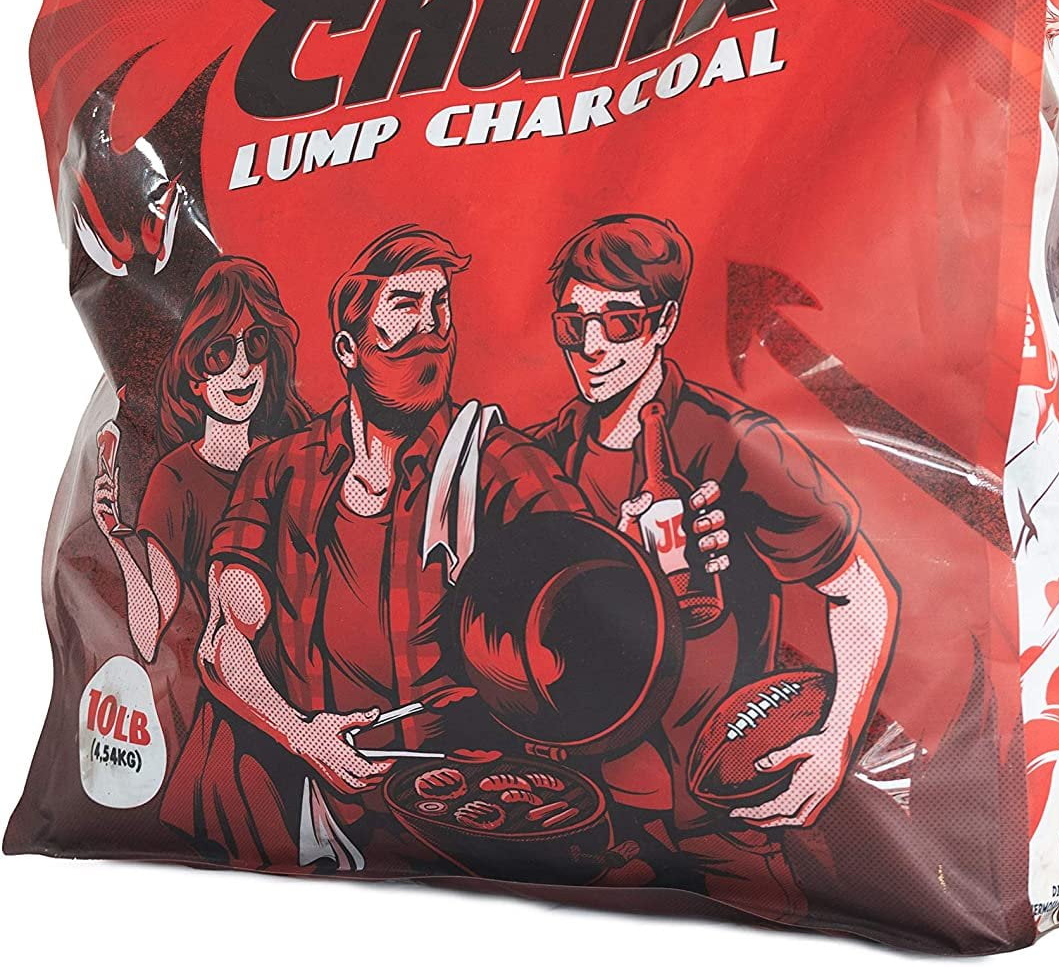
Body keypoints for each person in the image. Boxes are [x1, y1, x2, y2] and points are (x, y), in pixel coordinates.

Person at [187, 223, 592, 872]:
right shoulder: (280, 473)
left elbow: (596, 591)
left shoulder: (500, 466)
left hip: (471, 835)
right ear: (348, 348)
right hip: (321, 829)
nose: (431, 327)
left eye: (441, 306)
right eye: (406, 306)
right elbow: (223, 639)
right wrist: (302, 735)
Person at [530, 213, 900, 918]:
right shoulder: (543, 454)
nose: (593, 346)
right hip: (580, 825)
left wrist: (835, 741)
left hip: (721, 815)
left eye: (620, 322)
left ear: (664, 323)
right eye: (574, 325)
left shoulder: (731, 441)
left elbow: (859, 589)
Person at [92, 256, 310, 661]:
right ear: (193, 375)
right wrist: (117, 539)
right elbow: (150, 635)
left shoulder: (290, 459)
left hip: (308, 671)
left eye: (255, 344)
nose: (242, 369)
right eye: (219, 353)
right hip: (226, 671)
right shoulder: (176, 480)